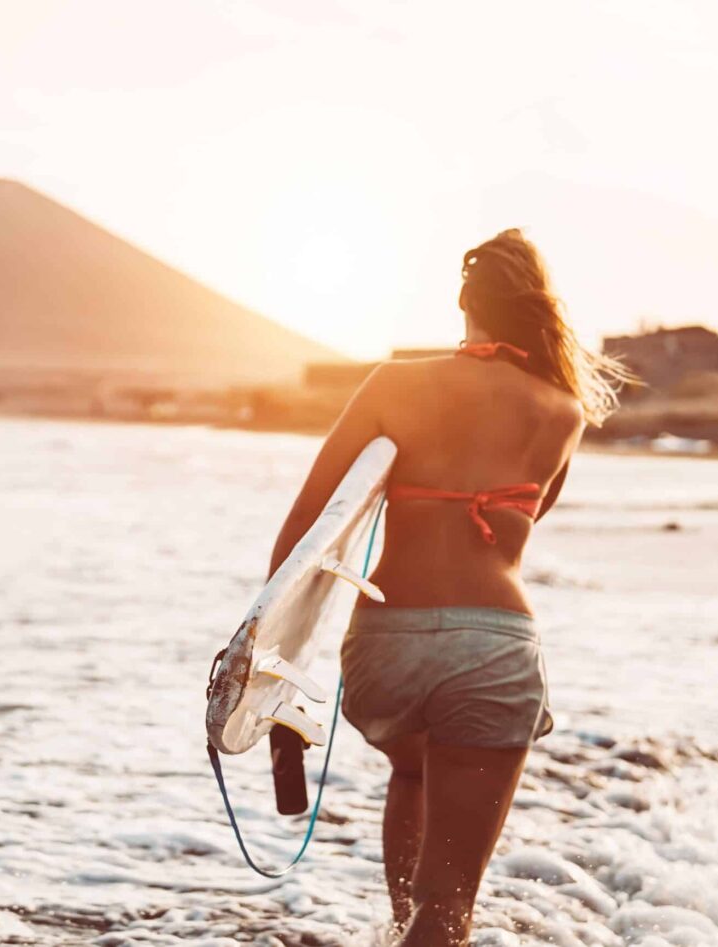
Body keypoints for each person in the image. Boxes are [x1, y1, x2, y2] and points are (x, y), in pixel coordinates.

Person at [266, 230, 629, 945]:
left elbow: (309, 528)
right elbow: (529, 519)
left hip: (385, 644)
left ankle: (403, 925)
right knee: (449, 913)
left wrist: (273, 661)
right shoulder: (563, 409)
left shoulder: (394, 383)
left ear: (465, 303)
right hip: (493, 642)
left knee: (412, 771)